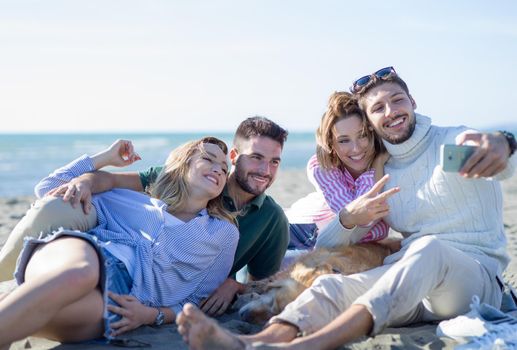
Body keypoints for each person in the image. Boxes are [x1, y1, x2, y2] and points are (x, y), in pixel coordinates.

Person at [174, 66, 516, 350]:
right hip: (413, 285)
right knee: (330, 286)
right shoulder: (384, 168)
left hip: (474, 280)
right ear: (370, 120)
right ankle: (257, 344)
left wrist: (504, 143)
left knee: (428, 249)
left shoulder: (454, 139)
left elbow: (500, 160)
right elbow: (339, 237)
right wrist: (351, 217)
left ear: (412, 101)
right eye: (378, 108)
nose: (391, 112)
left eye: (397, 101)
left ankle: (306, 347)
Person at [0, 116, 290, 317]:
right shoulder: (184, 179)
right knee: (53, 206)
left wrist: (235, 284)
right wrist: (88, 179)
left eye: (274, 161)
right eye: (256, 157)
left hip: (139, 282)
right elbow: (111, 183)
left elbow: (263, 284)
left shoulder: (271, 219)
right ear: (235, 156)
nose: (265, 170)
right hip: (104, 235)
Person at [0, 137, 240, 347]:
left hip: (124, 299)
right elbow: (48, 189)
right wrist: (104, 158)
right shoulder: (136, 201)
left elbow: (198, 298)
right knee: (80, 273)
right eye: (209, 159)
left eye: (224, 167)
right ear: (183, 164)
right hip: (86, 252)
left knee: (45, 315)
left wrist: (151, 315)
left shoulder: (223, 233)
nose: (219, 169)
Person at [282, 91, 395, 267]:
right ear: (331, 144)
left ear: (373, 133)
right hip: (297, 232)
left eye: (363, 135)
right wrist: (377, 165)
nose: (356, 148)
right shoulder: (322, 167)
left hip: (334, 244)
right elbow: (361, 214)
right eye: (343, 141)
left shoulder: (392, 166)